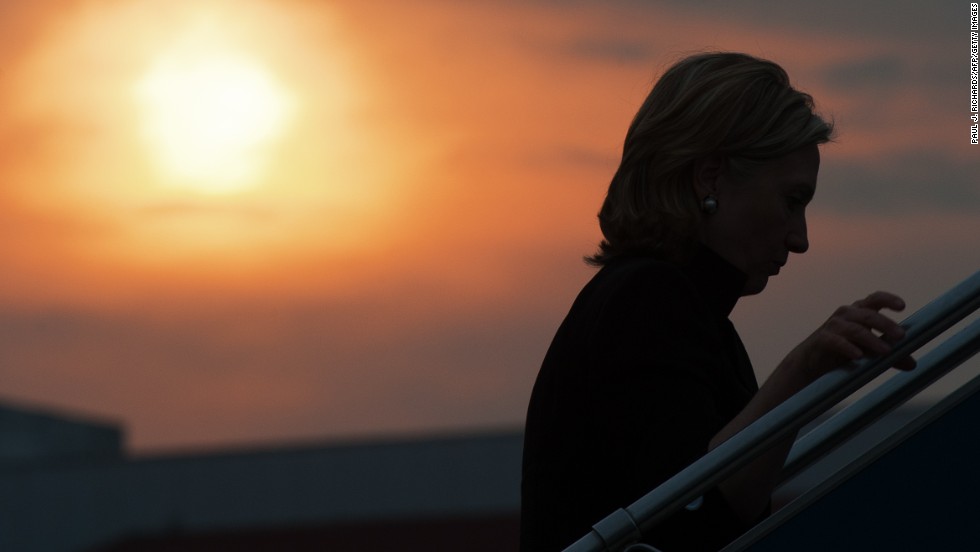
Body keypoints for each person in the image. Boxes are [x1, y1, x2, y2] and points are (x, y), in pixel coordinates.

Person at [519, 52, 914, 552]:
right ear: (710, 178)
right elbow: (691, 515)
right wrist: (802, 369)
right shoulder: (647, 301)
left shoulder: (676, 311)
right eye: (792, 200)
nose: (801, 239)